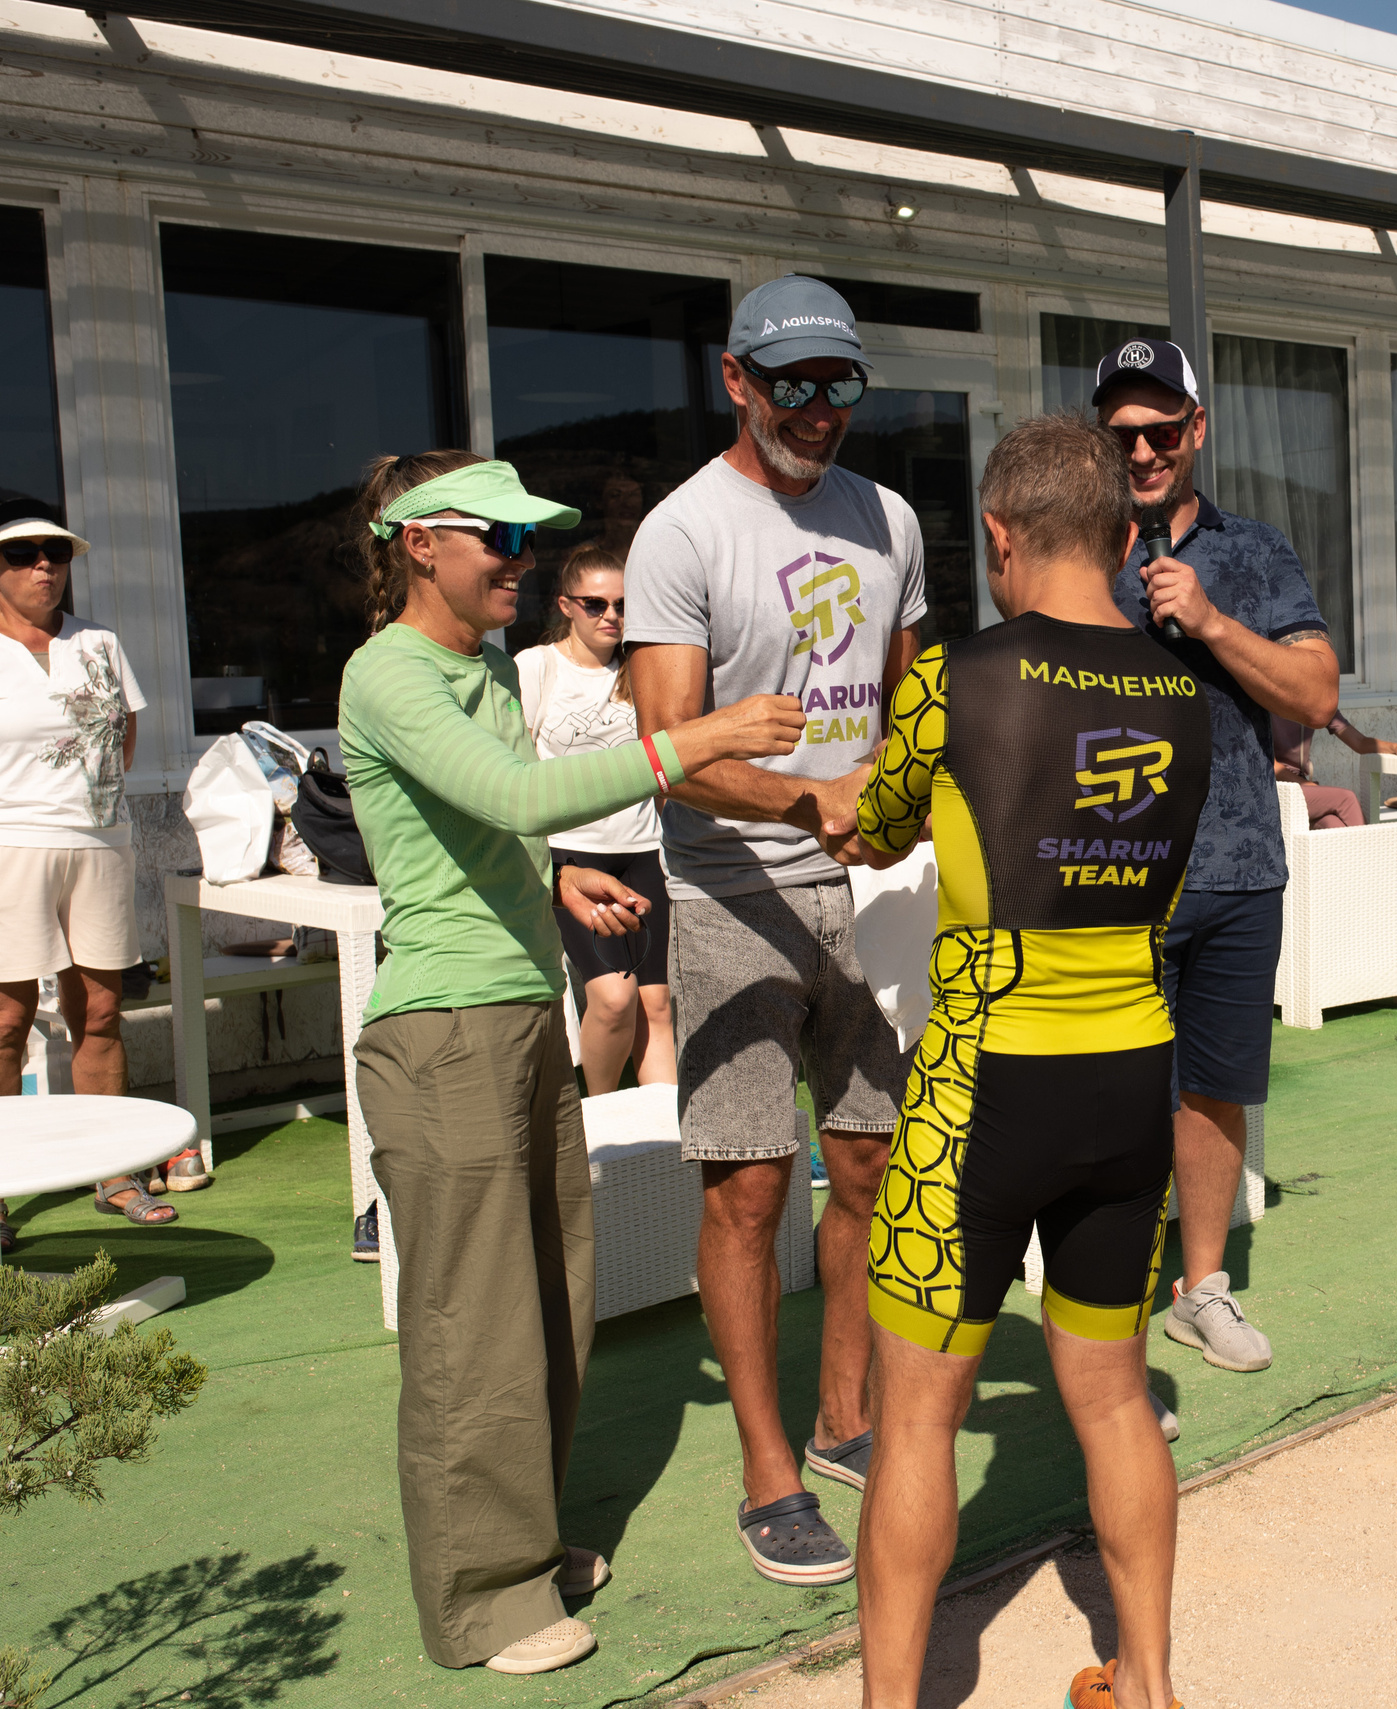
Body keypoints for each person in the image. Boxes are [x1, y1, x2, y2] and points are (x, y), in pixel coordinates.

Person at [339, 451, 802, 1674]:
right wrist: (688, 739)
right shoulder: (385, 673)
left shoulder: (483, 662)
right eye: (497, 534)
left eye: (527, 535)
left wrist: (553, 867)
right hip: (439, 1029)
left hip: (514, 1010)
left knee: (550, 1300)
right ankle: (483, 1597)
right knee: (471, 1325)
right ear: (420, 541)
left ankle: (526, 1540)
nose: (520, 557)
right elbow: (503, 784)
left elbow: (487, 816)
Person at [837, 413, 1208, 1709]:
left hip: (983, 1085)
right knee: (1113, 1399)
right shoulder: (1181, 688)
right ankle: (1148, 1682)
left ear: (998, 536)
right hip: (1128, 1076)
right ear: (1120, 533)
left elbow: (875, 829)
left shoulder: (955, 677)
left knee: (920, 1417)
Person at [625, 275, 925, 1584]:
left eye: (838, 382)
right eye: (790, 381)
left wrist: (909, 801)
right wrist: (815, 795)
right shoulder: (682, 533)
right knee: (750, 1185)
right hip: (727, 889)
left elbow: (911, 692)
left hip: (861, 887)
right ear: (736, 380)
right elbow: (669, 751)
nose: (817, 408)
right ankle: (767, 1474)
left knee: (865, 1161)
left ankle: (846, 1420)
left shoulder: (889, 516)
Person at [1099, 337, 1338, 1375]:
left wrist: (1207, 618)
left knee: (1214, 1088)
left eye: (1161, 430)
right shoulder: (1075, 551)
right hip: (1110, 867)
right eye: (1124, 435)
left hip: (1237, 860)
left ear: (1196, 429)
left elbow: (1314, 691)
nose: (1144, 451)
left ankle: (1201, 1289)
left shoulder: (1256, 550)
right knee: (1110, 1092)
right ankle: (1104, 1307)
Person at [0, 502, 164, 1246]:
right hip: (9, 846)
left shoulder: (99, 641)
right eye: (25, 554)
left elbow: (122, 744)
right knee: (4, 1023)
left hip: (100, 844)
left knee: (98, 1010)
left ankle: (113, 1170)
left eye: (56, 553)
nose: (44, 566)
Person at [517, 540, 674, 1094]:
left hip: (641, 853)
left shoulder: (645, 667)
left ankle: (663, 1147)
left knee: (656, 1004)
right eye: (595, 604)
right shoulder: (536, 668)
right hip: (570, 859)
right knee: (612, 997)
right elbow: (513, 769)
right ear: (565, 606)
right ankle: (599, 1126)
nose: (611, 615)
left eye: (623, 605)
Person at [1270, 710, 1397, 830]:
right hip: (1272, 788)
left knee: (1333, 825)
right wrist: (1306, 785)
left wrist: (1395, 747)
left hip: (1302, 790)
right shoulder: (1266, 700)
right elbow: (1271, 765)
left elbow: (1360, 742)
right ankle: (1372, 862)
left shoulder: (1318, 702)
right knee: (1345, 799)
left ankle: (1355, 867)